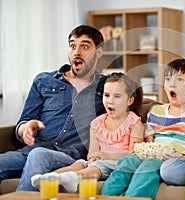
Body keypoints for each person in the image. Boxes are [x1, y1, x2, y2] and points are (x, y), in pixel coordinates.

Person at [0, 25, 110, 191]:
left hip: (71, 159)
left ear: (99, 53)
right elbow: (22, 123)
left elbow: (132, 96)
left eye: (85, 46)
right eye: (73, 46)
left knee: (39, 155)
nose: (76, 52)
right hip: (30, 151)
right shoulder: (44, 80)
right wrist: (25, 129)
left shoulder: (106, 87)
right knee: (34, 155)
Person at [101, 58, 185, 200]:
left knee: (149, 165)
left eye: (179, 80)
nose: (172, 84)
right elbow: (149, 143)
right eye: (168, 79)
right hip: (153, 156)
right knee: (127, 161)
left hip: (177, 161)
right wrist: (140, 150)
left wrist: (182, 157)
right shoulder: (156, 112)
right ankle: (105, 197)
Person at [30, 72, 144, 192]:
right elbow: (92, 152)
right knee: (79, 164)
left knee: (97, 166)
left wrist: (106, 156)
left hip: (119, 164)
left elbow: (134, 156)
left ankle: (73, 179)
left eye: (117, 96)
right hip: (99, 162)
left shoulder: (134, 122)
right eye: (106, 95)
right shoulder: (96, 123)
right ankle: (48, 178)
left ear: (130, 101)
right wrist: (93, 157)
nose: (110, 101)